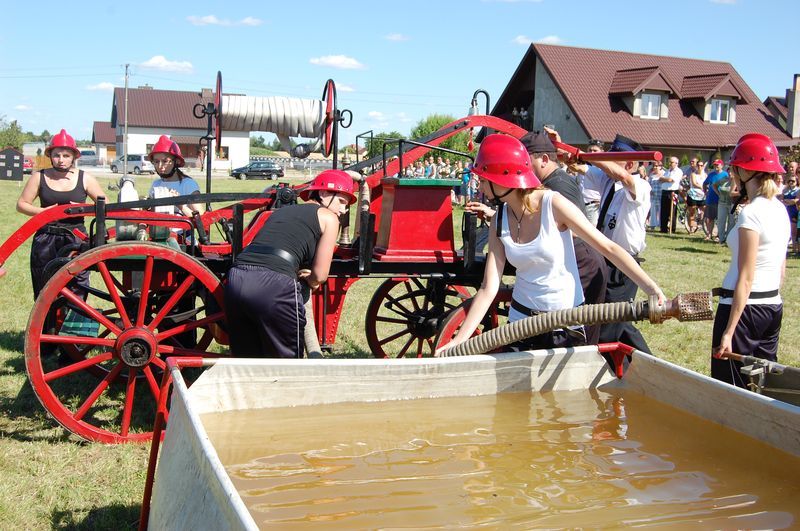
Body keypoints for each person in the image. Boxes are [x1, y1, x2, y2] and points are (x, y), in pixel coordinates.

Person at [438, 134, 664, 354]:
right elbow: (488, 288)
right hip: (519, 326)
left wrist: (652, 290)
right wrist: (458, 341)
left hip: (562, 325)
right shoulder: (499, 218)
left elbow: (609, 247)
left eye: (483, 178)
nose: (479, 184)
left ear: (502, 178)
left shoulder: (553, 204)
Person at [224, 170, 355, 358]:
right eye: (342, 202)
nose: (344, 210)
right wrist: (310, 280)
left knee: (246, 364)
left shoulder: (282, 211)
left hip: (236, 279)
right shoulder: (329, 217)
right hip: (274, 286)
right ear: (324, 194)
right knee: (287, 366)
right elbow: (320, 275)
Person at [711, 134, 789, 388]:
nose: (733, 173)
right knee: (763, 385)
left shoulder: (751, 214)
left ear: (744, 170)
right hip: (771, 306)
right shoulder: (780, 209)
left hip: (743, 310)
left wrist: (729, 331)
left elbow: (746, 277)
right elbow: (781, 269)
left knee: (731, 387)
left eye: (734, 168)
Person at [16, 129, 104, 299]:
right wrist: (42, 212)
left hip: (76, 237)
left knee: (77, 285)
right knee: (44, 285)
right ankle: (48, 324)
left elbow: (104, 205)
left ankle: (71, 323)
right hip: (46, 238)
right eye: (57, 155)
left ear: (74, 157)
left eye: (66, 155)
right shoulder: (39, 176)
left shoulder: (85, 178)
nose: (61, 160)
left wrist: (83, 207)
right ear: (50, 155)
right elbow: (21, 205)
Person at [147, 136, 205, 217]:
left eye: (165, 161)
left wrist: (181, 206)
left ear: (176, 161)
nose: (160, 166)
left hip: (183, 229)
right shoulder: (156, 184)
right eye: (156, 161)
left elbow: (201, 219)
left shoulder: (188, 184)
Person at [703, 159, 728, 241]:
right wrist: (705, 192)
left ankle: (718, 235)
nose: (716, 166)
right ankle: (709, 234)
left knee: (720, 219)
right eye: (715, 165)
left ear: (722, 165)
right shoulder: (711, 174)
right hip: (711, 198)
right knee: (710, 218)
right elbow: (705, 183)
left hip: (721, 199)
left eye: (717, 165)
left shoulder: (725, 175)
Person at [659, 157, 683, 233]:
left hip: (673, 192)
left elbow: (671, 180)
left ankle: (672, 229)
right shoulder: (667, 171)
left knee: (672, 211)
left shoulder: (678, 171)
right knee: (663, 211)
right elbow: (661, 179)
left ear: (676, 163)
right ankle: (663, 228)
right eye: (669, 162)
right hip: (664, 191)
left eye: (672, 162)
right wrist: (665, 179)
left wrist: (664, 179)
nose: (670, 164)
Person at [780, 172, 799, 255]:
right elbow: (781, 200)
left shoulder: (798, 190)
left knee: (794, 232)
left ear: (797, 182)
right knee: (785, 231)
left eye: (793, 181)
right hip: (785, 212)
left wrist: (787, 201)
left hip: (794, 212)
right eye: (789, 181)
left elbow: (795, 201)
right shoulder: (784, 190)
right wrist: (789, 201)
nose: (791, 182)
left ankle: (795, 250)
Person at [685, 161, 706, 233]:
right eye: (698, 165)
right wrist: (701, 187)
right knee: (692, 211)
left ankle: (700, 223)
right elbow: (694, 183)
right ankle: (691, 227)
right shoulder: (693, 174)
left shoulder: (705, 175)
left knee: (703, 210)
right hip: (693, 195)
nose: (700, 167)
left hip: (702, 195)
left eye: (701, 165)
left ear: (703, 166)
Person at [648, 162, 665, 229]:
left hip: (661, 194)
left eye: (656, 166)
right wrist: (650, 191)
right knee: (653, 210)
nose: (655, 167)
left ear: (660, 166)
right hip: (653, 195)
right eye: (654, 166)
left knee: (661, 210)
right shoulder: (651, 175)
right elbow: (648, 184)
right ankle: (653, 224)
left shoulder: (664, 173)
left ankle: (661, 224)